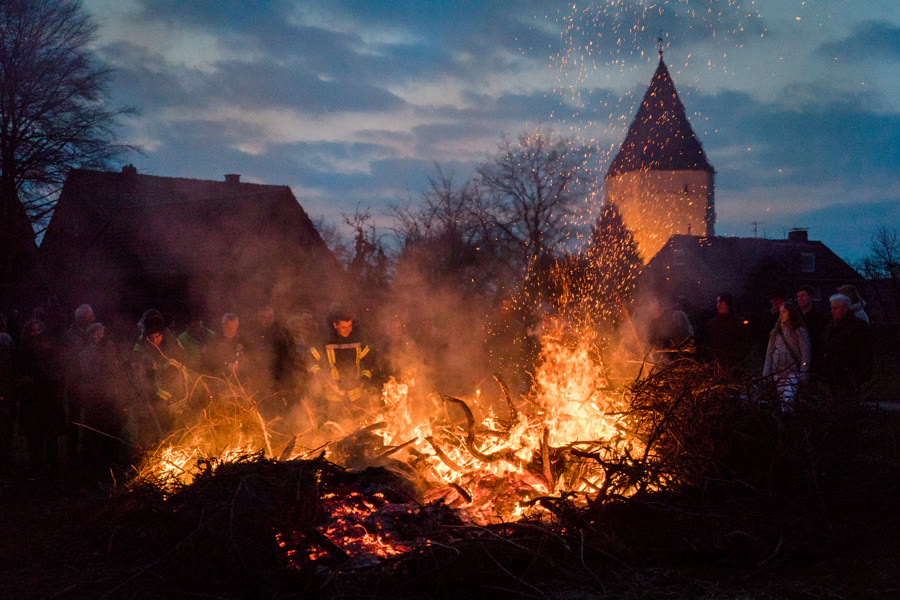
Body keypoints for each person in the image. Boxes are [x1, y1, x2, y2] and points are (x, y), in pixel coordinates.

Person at [16, 319, 66, 477]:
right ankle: (35, 466)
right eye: (33, 331)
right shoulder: (23, 351)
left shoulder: (51, 350)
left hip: (48, 398)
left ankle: (53, 466)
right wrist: (23, 379)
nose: (36, 334)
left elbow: (58, 372)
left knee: (50, 434)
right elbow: (18, 372)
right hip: (31, 399)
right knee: (33, 435)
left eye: (39, 331)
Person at [78, 322, 126, 479]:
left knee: (111, 432)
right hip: (96, 399)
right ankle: (95, 468)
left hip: (110, 399)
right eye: (97, 333)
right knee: (95, 433)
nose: (99, 335)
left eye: (101, 332)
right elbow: (89, 374)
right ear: (91, 335)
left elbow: (117, 371)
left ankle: (111, 465)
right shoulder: (86, 353)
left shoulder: (110, 349)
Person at [309, 309, 375, 422]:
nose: (347, 330)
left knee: (358, 425)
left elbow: (369, 362)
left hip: (356, 395)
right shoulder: (325, 341)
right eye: (343, 327)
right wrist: (319, 373)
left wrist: (365, 377)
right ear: (335, 325)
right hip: (334, 396)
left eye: (350, 326)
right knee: (336, 427)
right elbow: (311, 359)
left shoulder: (358, 341)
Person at [822, 294, 872, 404]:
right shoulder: (831, 326)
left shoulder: (857, 326)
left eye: (835, 308)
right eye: (831, 308)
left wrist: (859, 374)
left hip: (849, 373)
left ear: (844, 307)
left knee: (848, 403)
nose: (832, 311)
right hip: (833, 373)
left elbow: (864, 352)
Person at [762, 302, 811, 412]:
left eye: (784, 312)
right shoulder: (776, 332)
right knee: (783, 402)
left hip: (792, 372)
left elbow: (805, 353)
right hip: (777, 372)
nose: (781, 314)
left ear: (791, 313)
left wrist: (804, 373)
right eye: (780, 312)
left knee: (788, 401)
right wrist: (767, 373)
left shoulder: (799, 331)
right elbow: (769, 353)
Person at [699, 293, 750, 369]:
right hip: (716, 367)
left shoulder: (738, 323)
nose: (719, 305)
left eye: (722, 302)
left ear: (728, 304)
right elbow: (706, 344)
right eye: (718, 302)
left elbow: (744, 345)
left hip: (734, 367)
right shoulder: (711, 324)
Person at [796, 285, 828, 373]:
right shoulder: (794, 317)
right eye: (798, 297)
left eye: (803, 296)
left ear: (811, 297)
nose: (800, 299)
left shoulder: (819, 317)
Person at [0, 313, 16, 476]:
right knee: (5, 426)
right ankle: (5, 459)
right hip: (4, 390)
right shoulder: (6, 341)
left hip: (4, 389)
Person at [205, 313, 243, 377]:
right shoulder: (213, 341)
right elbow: (207, 360)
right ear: (223, 325)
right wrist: (226, 365)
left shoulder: (242, 341)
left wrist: (240, 365)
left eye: (234, 327)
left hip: (238, 379)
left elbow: (250, 358)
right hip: (218, 378)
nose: (231, 330)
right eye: (228, 327)